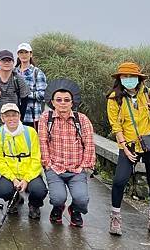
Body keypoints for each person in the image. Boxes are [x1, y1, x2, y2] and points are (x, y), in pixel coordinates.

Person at [107, 62, 150, 237]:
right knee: (120, 180)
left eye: (131, 77)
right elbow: (116, 126)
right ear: (119, 78)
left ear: (139, 78)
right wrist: (125, 148)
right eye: (124, 76)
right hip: (129, 145)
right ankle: (115, 217)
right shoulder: (114, 98)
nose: (128, 80)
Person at [38, 79, 95, 227]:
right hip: (55, 168)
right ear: (53, 102)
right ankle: (58, 207)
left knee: (82, 199)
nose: (63, 103)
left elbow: (89, 144)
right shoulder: (46, 118)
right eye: (59, 100)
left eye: (66, 100)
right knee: (58, 198)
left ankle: (75, 210)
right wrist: (48, 164)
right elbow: (43, 142)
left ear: (72, 102)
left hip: (77, 169)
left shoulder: (81, 119)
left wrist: (85, 166)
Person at [0, 103, 47, 219]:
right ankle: (14, 199)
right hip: (11, 174)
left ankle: (34, 205)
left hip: (30, 173)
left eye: (14, 115)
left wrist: (26, 179)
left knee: (39, 190)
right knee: (2, 190)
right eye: (7, 116)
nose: (11, 118)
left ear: (19, 116)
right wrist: (13, 179)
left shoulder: (30, 132)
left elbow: (36, 158)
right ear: (2, 118)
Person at [14, 43, 47, 129]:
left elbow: (43, 94)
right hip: (15, 116)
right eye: (21, 52)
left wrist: (25, 94)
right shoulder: (13, 72)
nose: (24, 55)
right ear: (18, 55)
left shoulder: (37, 73)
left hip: (32, 116)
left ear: (31, 54)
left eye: (26, 52)